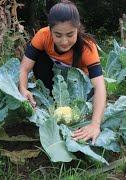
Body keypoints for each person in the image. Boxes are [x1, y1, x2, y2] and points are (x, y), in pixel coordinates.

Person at [19, 0, 106, 144]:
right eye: (58, 35)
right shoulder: (43, 35)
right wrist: (23, 88)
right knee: (39, 60)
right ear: (50, 30)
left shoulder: (87, 47)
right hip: (54, 82)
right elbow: (24, 67)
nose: (64, 41)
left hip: (77, 90)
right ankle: (49, 100)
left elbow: (100, 87)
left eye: (70, 34)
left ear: (77, 29)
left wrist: (95, 125)